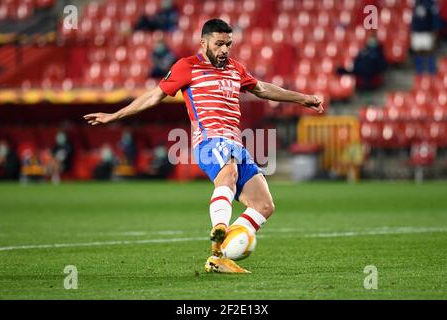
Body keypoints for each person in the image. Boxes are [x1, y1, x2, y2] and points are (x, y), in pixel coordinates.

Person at [84, 19, 324, 273]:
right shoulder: (187, 67)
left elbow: (262, 88)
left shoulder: (235, 69)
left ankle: (219, 257)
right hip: (209, 140)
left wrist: (304, 99)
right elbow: (155, 96)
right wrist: (114, 115)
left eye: (228, 44)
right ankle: (220, 228)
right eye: (219, 44)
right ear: (204, 42)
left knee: (264, 205)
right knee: (229, 171)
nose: (224, 50)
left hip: (234, 142)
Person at [411, 0, 441, 75]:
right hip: (417, 32)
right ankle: (419, 72)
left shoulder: (431, 3)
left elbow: (435, 18)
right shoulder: (415, 3)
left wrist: (435, 30)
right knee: (418, 52)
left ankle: (432, 73)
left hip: (427, 32)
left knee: (429, 52)